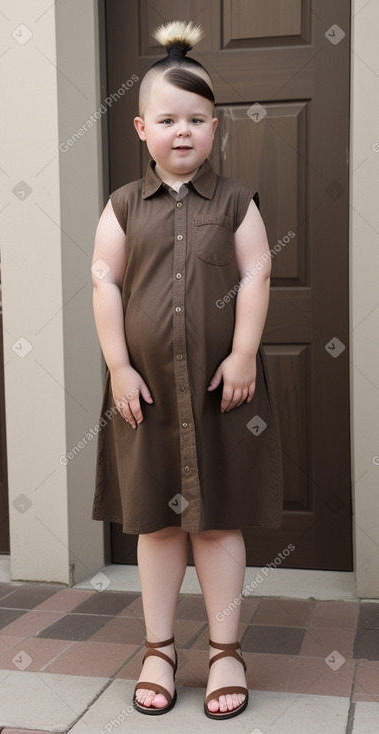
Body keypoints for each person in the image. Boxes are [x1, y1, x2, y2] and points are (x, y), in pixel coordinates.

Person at [91, 20, 283, 720]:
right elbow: (104, 284)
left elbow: (257, 275)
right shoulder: (121, 206)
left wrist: (241, 352)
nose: (182, 132)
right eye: (167, 119)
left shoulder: (237, 202)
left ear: (215, 129)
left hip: (218, 392)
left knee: (217, 522)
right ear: (141, 127)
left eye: (197, 119)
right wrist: (116, 364)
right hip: (145, 393)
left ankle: (226, 650)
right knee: (157, 524)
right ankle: (159, 648)